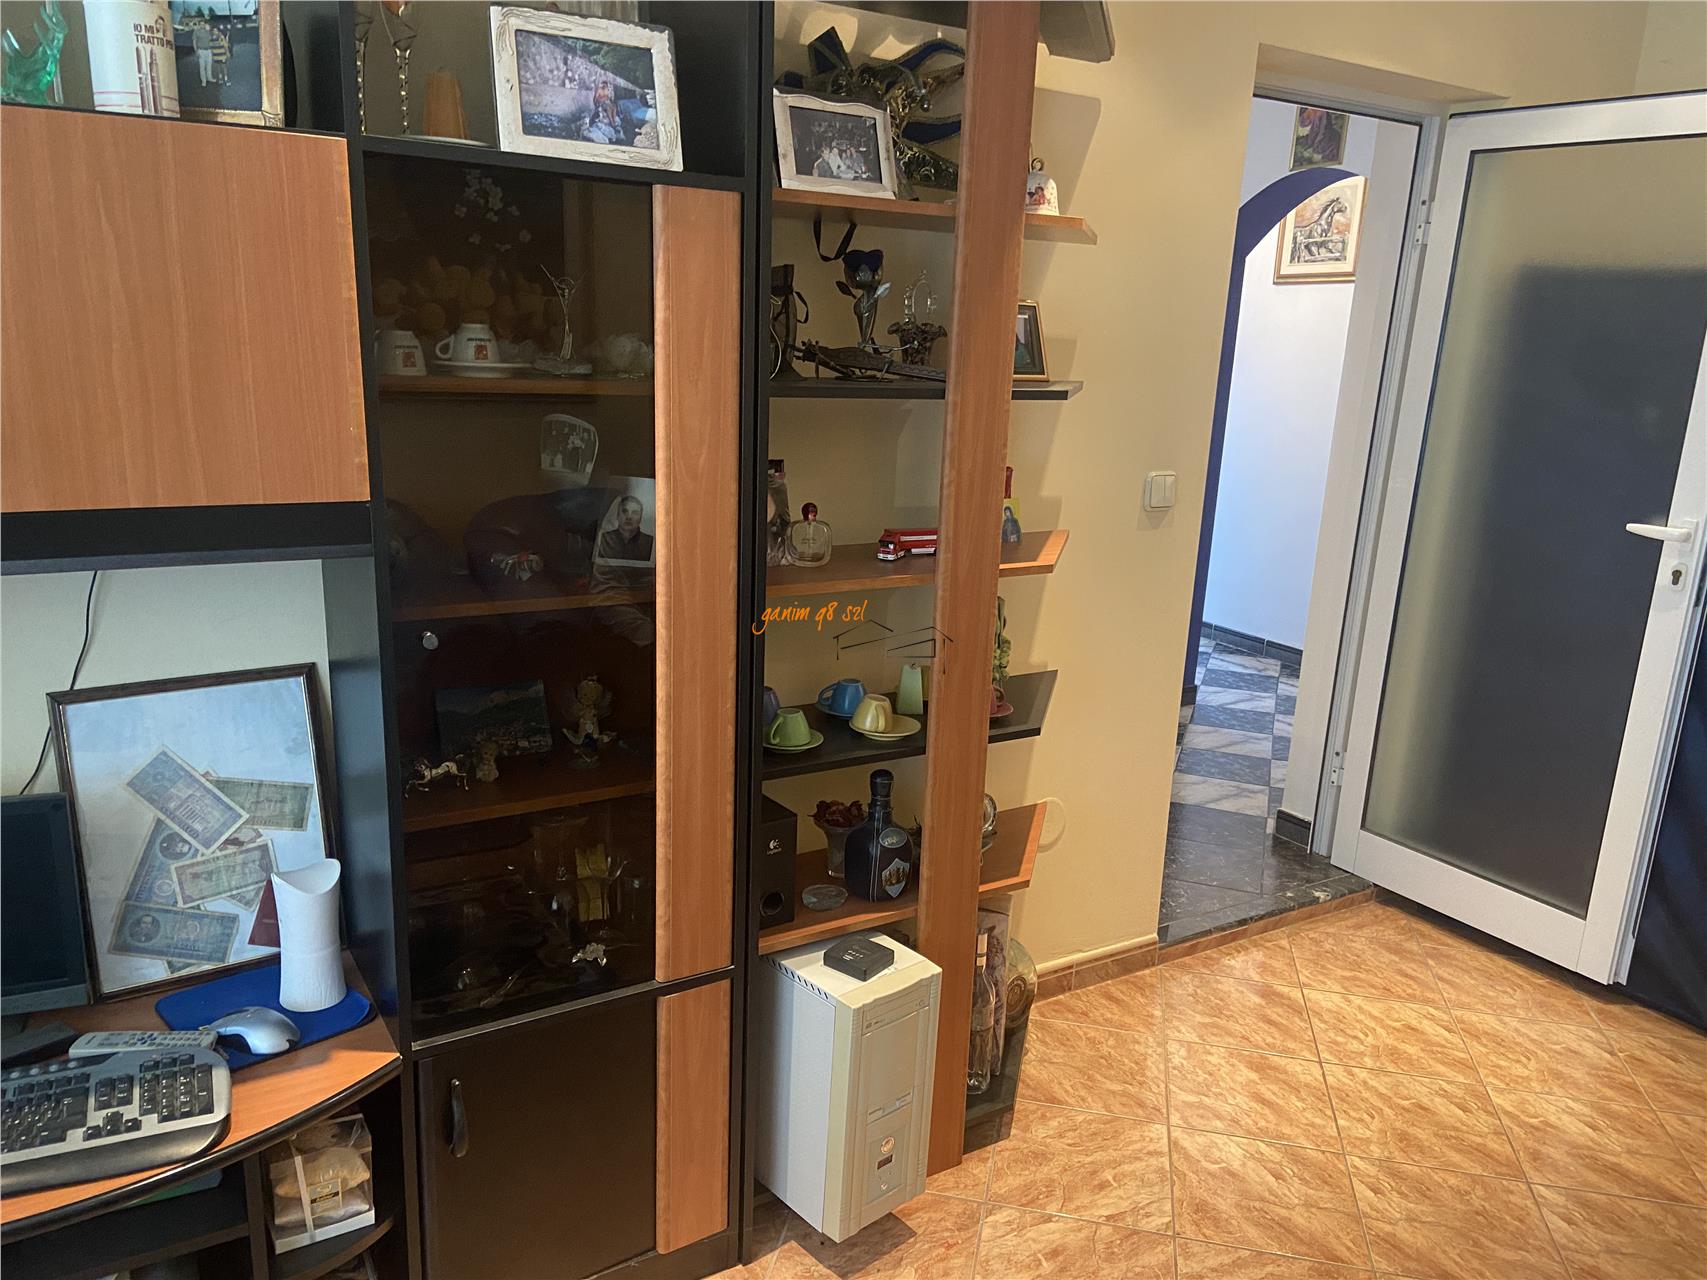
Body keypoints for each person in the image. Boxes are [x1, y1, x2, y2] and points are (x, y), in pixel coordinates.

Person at [597, 495, 653, 563]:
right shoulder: (604, 539)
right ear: (618, 515)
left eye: (635, 513)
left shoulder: (649, 542)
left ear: (640, 518)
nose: (629, 517)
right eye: (625, 511)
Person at [191, 20, 214, 87]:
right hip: (201, 50)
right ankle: (203, 81)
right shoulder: (196, 32)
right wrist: (196, 50)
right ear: (199, 25)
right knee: (202, 67)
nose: (202, 25)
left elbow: (211, 39)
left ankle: (209, 78)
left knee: (209, 65)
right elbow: (194, 41)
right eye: (201, 24)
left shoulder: (208, 31)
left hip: (208, 50)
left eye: (203, 24)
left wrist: (209, 30)